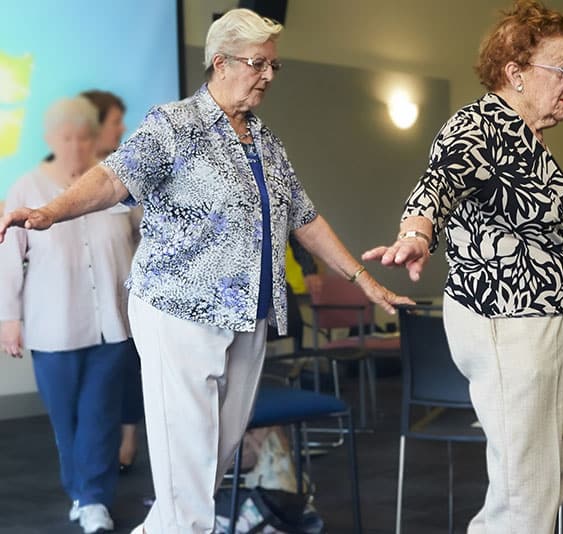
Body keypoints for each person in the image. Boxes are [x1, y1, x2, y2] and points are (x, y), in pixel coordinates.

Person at [0, 8, 410, 534]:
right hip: (179, 313)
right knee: (188, 483)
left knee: (205, 465)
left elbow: (303, 218)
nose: (268, 75)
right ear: (220, 63)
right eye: (258, 64)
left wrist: (365, 281)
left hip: (249, 317)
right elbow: (112, 178)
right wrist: (50, 212)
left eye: (273, 67)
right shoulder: (175, 125)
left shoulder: (264, 140)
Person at [363, 1, 563, 532]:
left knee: (561, 456)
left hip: (546, 316)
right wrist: (415, 234)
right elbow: (439, 180)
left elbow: (554, 205)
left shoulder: (527, 141)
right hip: (504, 318)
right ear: (516, 72)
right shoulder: (481, 124)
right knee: (524, 486)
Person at [0, 97, 140, 533]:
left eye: (84, 136)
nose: (77, 145)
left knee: (101, 415)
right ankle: (80, 490)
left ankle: (94, 499)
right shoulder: (28, 186)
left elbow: (143, 239)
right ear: (50, 139)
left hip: (113, 324)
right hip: (54, 326)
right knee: (68, 420)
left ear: (94, 137)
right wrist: (8, 318)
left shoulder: (114, 182)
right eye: (67, 138)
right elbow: (8, 255)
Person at [81, 89, 144, 475]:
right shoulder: (66, 176)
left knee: (128, 372)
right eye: (114, 121)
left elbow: (142, 229)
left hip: (127, 295)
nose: (122, 128)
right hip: (83, 298)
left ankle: (127, 437)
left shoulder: (130, 171)